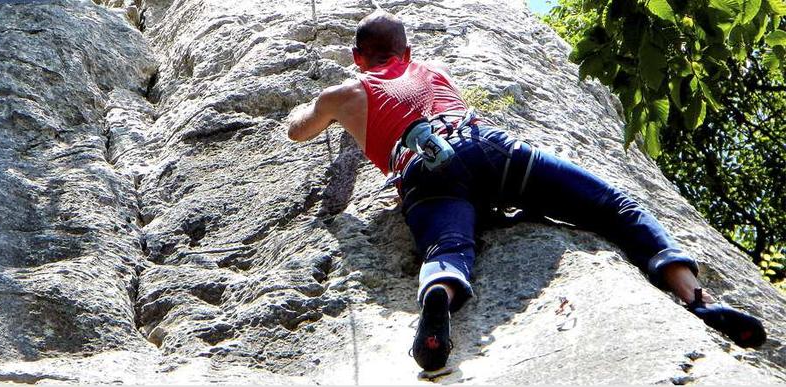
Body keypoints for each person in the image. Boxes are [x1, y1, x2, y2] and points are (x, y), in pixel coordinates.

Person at [285, 9, 767, 377]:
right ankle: (694, 296)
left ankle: (439, 295)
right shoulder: (435, 73)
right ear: (406, 53)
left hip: (424, 173)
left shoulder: (344, 95)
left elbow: (298, 131)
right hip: (488, 149)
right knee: (614, 206)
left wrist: (313, 107)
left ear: (358, 57)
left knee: (447, 247)